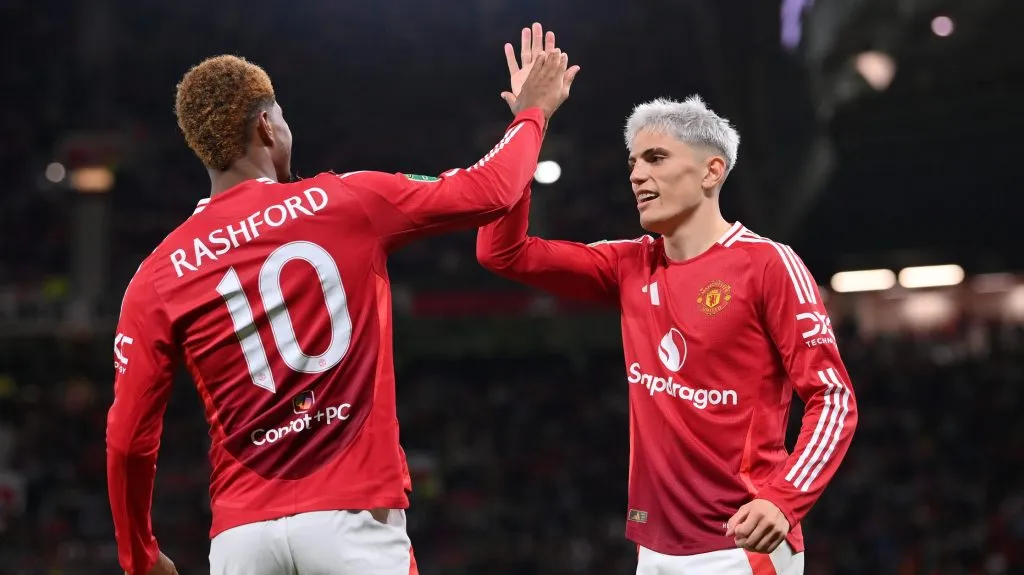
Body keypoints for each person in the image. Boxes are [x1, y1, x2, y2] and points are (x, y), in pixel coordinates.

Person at [106, 50, 578, 575]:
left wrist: (140, 554)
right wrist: (532, 114)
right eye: (282, 116)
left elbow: (128, 439)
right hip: (353, 520)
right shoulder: (342, 199)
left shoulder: (157, 274)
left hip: (243, 537)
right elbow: (490, 190)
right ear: (267, 125)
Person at [478, 23, 857, 575]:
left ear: (711, 170)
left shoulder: (768, 264)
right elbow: (501, 253)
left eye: (655, 158)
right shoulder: (629, 262)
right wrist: (528, 123)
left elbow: (834, 398)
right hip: (653, 551)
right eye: (633, 161)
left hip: (738, 552)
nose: (636, 174)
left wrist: (784, 496)